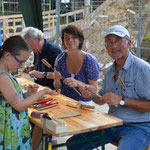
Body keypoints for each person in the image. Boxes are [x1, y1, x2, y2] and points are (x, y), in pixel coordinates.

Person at [66, 25, 150, 150]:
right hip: (111, 123)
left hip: (137, 127)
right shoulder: (110, 70)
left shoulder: (142, 68)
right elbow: (101, 99)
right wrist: (90, 93)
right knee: (73, 144)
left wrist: (122, 100)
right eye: (109, 42)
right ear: (106, 47)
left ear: (129, 43)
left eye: (118, 41)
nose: (113, 46)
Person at [0, 35, 59, 150]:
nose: (22, 66)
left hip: (13, 127)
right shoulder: (3, 77)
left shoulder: (7, 73)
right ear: (7, 55)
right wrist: (43, 92)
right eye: (20, 62)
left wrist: (27, 95)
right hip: (9, 131)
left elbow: (12, 99)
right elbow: (20, 106)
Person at [53, 24, 100, 105]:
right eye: (66, 38)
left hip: (83, 103)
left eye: (74, 37)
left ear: (80, 40)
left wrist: (78, 83)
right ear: (63, 41)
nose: (70, 40)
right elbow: (57, 87)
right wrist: (56, 79)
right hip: (64, 100)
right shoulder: (60, 58)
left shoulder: (90, 60)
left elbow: (95, 89)